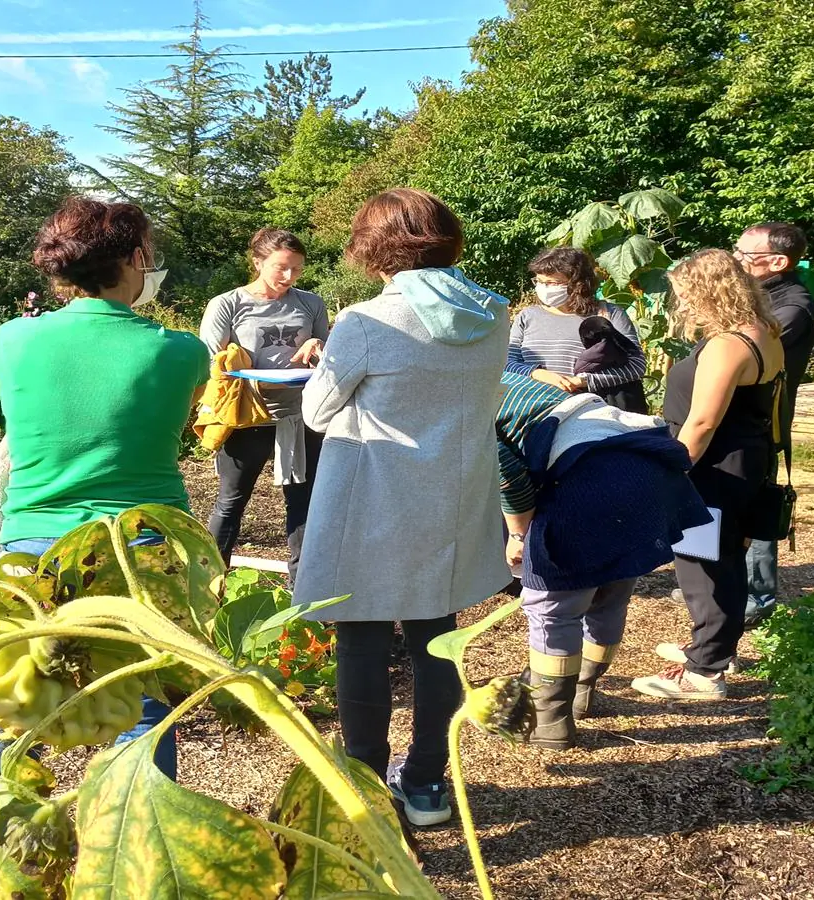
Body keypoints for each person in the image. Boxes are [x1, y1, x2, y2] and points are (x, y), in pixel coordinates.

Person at [0, 196, 210, 873]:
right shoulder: (183, 352)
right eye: (149, 254)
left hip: (32, 543)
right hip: (140, 547)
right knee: (141, 699)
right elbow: (175, 430)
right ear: (133, 259)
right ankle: (137, 833)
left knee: (19, 691)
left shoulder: (13, 339)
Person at [294, 188, 510, 827]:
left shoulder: (368, 321)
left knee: (359, 638)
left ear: (376, 250)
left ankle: (363, 781)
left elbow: (317, 410)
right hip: (454, 496)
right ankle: (425, 784)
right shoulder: (493, 313)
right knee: (436, 639)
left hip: (372, 497)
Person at [497, 372, 709, 748]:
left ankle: (550, 722)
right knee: (611, 589)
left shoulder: (470, 400)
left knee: (553, 607)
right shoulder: (505, 379)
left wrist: (518, 534)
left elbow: (509, 476)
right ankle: (581, 693)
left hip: (590, 477)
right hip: (645, 469)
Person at [632, 249, 785, 701]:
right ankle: (715, 647)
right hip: (742, 463)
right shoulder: (764, 332)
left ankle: (706, 672)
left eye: (686, 295)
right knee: (726, 558)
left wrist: (672, 471)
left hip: (710, 469)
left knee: (702, 566)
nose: (682, 305)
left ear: (709, 293)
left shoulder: (727, 344)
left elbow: (702, 422)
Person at [200, 229, 329, 582]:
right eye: (281, 268)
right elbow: (210, 361)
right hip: (246, 416)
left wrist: (318, 344)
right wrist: (234, 362)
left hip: (299, 416)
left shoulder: (311, 303)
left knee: (303, 503)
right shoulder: (228, 304)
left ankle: (301, 593)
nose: (289, 277)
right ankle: (209, 584)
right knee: (231, 501)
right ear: (258, 262)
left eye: (297, 270)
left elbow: (331, 358)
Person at [734, 223, 814, 626]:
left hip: (762, 422)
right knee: (731, 502)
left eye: (744, 256)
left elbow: (749, 350)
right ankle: (731, 581)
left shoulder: (792, 306)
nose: (736, 262)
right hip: (739, 416)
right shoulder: (759, 296)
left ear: (778, 262)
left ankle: (757, 595)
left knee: (756, 505)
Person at [506, 246, 648, 411]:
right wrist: (537, 374)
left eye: (552, 282)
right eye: (538, 281)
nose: (543, 288)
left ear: (577, 284)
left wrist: (583, 381)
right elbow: (507, 362)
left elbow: (636, 365)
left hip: (592, 413)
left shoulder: (609, 314)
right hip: (533, 411)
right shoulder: (527, 316)